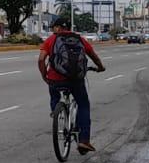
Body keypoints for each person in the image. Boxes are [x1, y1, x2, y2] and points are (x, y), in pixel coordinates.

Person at [37, 17, 106, 154]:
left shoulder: (51, 40)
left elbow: (41, 59)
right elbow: (93, 56)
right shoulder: (79, 39)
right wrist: (100, 67)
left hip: (55, 80)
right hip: (75, 80)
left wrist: (44, 75)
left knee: (53, 88)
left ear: (59, 28)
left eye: (54, 27)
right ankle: (84, 141)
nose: (52, 30)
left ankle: (55, 110)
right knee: (83, 105)